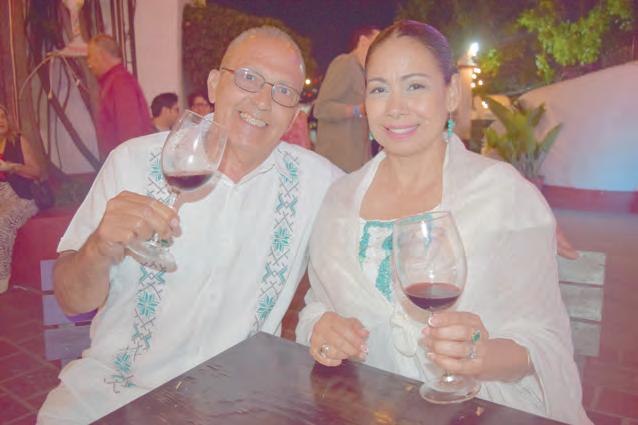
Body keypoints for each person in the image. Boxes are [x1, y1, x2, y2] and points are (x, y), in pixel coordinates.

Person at [38, 26, 342, 423]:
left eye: (284, 91)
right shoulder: (132, 162)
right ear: (215, 85)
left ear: (295, 114)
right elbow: (70, 299)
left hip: (235, 404)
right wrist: (98, 248)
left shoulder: (321, 184)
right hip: (115, 393)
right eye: (248, 78)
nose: (263, 101)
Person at [296, 21, 591, 425]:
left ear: (451, 94)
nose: (395, 107)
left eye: (415, 86)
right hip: (369, 408)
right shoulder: (340, 200)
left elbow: (545, 341)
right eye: (379, 89)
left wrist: (481, 355)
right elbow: (318, 306)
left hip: (482, 409)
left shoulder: (501, 195)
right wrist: (322, 331)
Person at [314, 27, 379, 172]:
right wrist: (359, 110)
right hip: (338, 162)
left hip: (358, 161)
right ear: (363, 41)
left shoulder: (364, 73)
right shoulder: (345, 63)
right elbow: (321, 109)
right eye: (376, 43)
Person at [87, 34, 153, 160]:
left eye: (91, 57)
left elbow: (130, 130)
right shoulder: (115, 80)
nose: (89, 64)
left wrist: (126, 163)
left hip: (126, 161)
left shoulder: (120, 82)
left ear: (102, 55)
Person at [0, 104, 43, 294]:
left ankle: (2, 277)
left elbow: (36, 172)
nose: (0, 121)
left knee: (2, 222)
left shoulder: (18, 141)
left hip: (21, 197)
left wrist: (11, 167)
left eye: (3, 116)